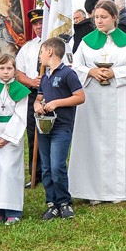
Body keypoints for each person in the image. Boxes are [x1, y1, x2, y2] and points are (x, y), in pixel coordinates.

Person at [69, 0, 126, 203]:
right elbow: (75, 66)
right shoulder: (86, 42)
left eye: (103, 17)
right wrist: (91, 71)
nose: (98, 21)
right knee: (92, 140)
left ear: (114, 18)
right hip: (92, 99)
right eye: (96, 17)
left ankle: (118, 190)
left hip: (119, 99)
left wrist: (114, 73)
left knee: (118, 141)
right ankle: (92, 191)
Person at [35, 36, 85, 219]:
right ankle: (51, 203)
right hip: (44, 126)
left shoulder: (67, 74)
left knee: (57, 166)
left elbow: (80, 97)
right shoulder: (45, 76)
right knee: (46, 167)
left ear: (50, 51)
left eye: (41, 52)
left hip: (61, 126)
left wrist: (57, 103)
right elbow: (38, 99)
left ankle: (64, 202)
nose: (40, 56)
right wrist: (37, 106)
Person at [0, 54, 30, 223]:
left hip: (11, 135)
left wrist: (6, 137)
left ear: (15, 70)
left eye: (9, 68)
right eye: (2, 68)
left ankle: (12, 209)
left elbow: (20, 116)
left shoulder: (20, 90)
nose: (5, 72)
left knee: (9, 171)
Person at [15, 9, 44, 186]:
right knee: (33, 133)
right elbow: (19, 73)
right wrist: (32, 82)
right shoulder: (28, 47)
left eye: (41, 22)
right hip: (34, 94)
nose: (39, 26)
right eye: (35, 23)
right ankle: (36, 173)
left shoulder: (60, 43)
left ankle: (53, 170)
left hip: (55, 94)